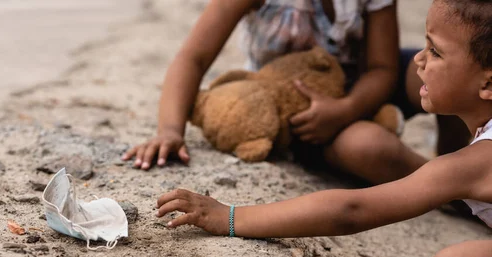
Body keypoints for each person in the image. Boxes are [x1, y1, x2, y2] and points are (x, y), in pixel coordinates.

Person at [156, 0, 492, 257]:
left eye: (435, 52)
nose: (419, 58)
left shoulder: (475, 161)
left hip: (416, 148)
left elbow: (351, 211)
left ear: (488, 84)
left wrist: (229, 217)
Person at [122, 0, 471, 185]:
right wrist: (170, 130)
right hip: (299, 109)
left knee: (449, 75)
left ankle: (463, 160)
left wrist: (348, 106)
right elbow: (192, 58)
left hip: (363, 85)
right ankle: (449, 190)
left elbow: (383, 69)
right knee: (368, 148)